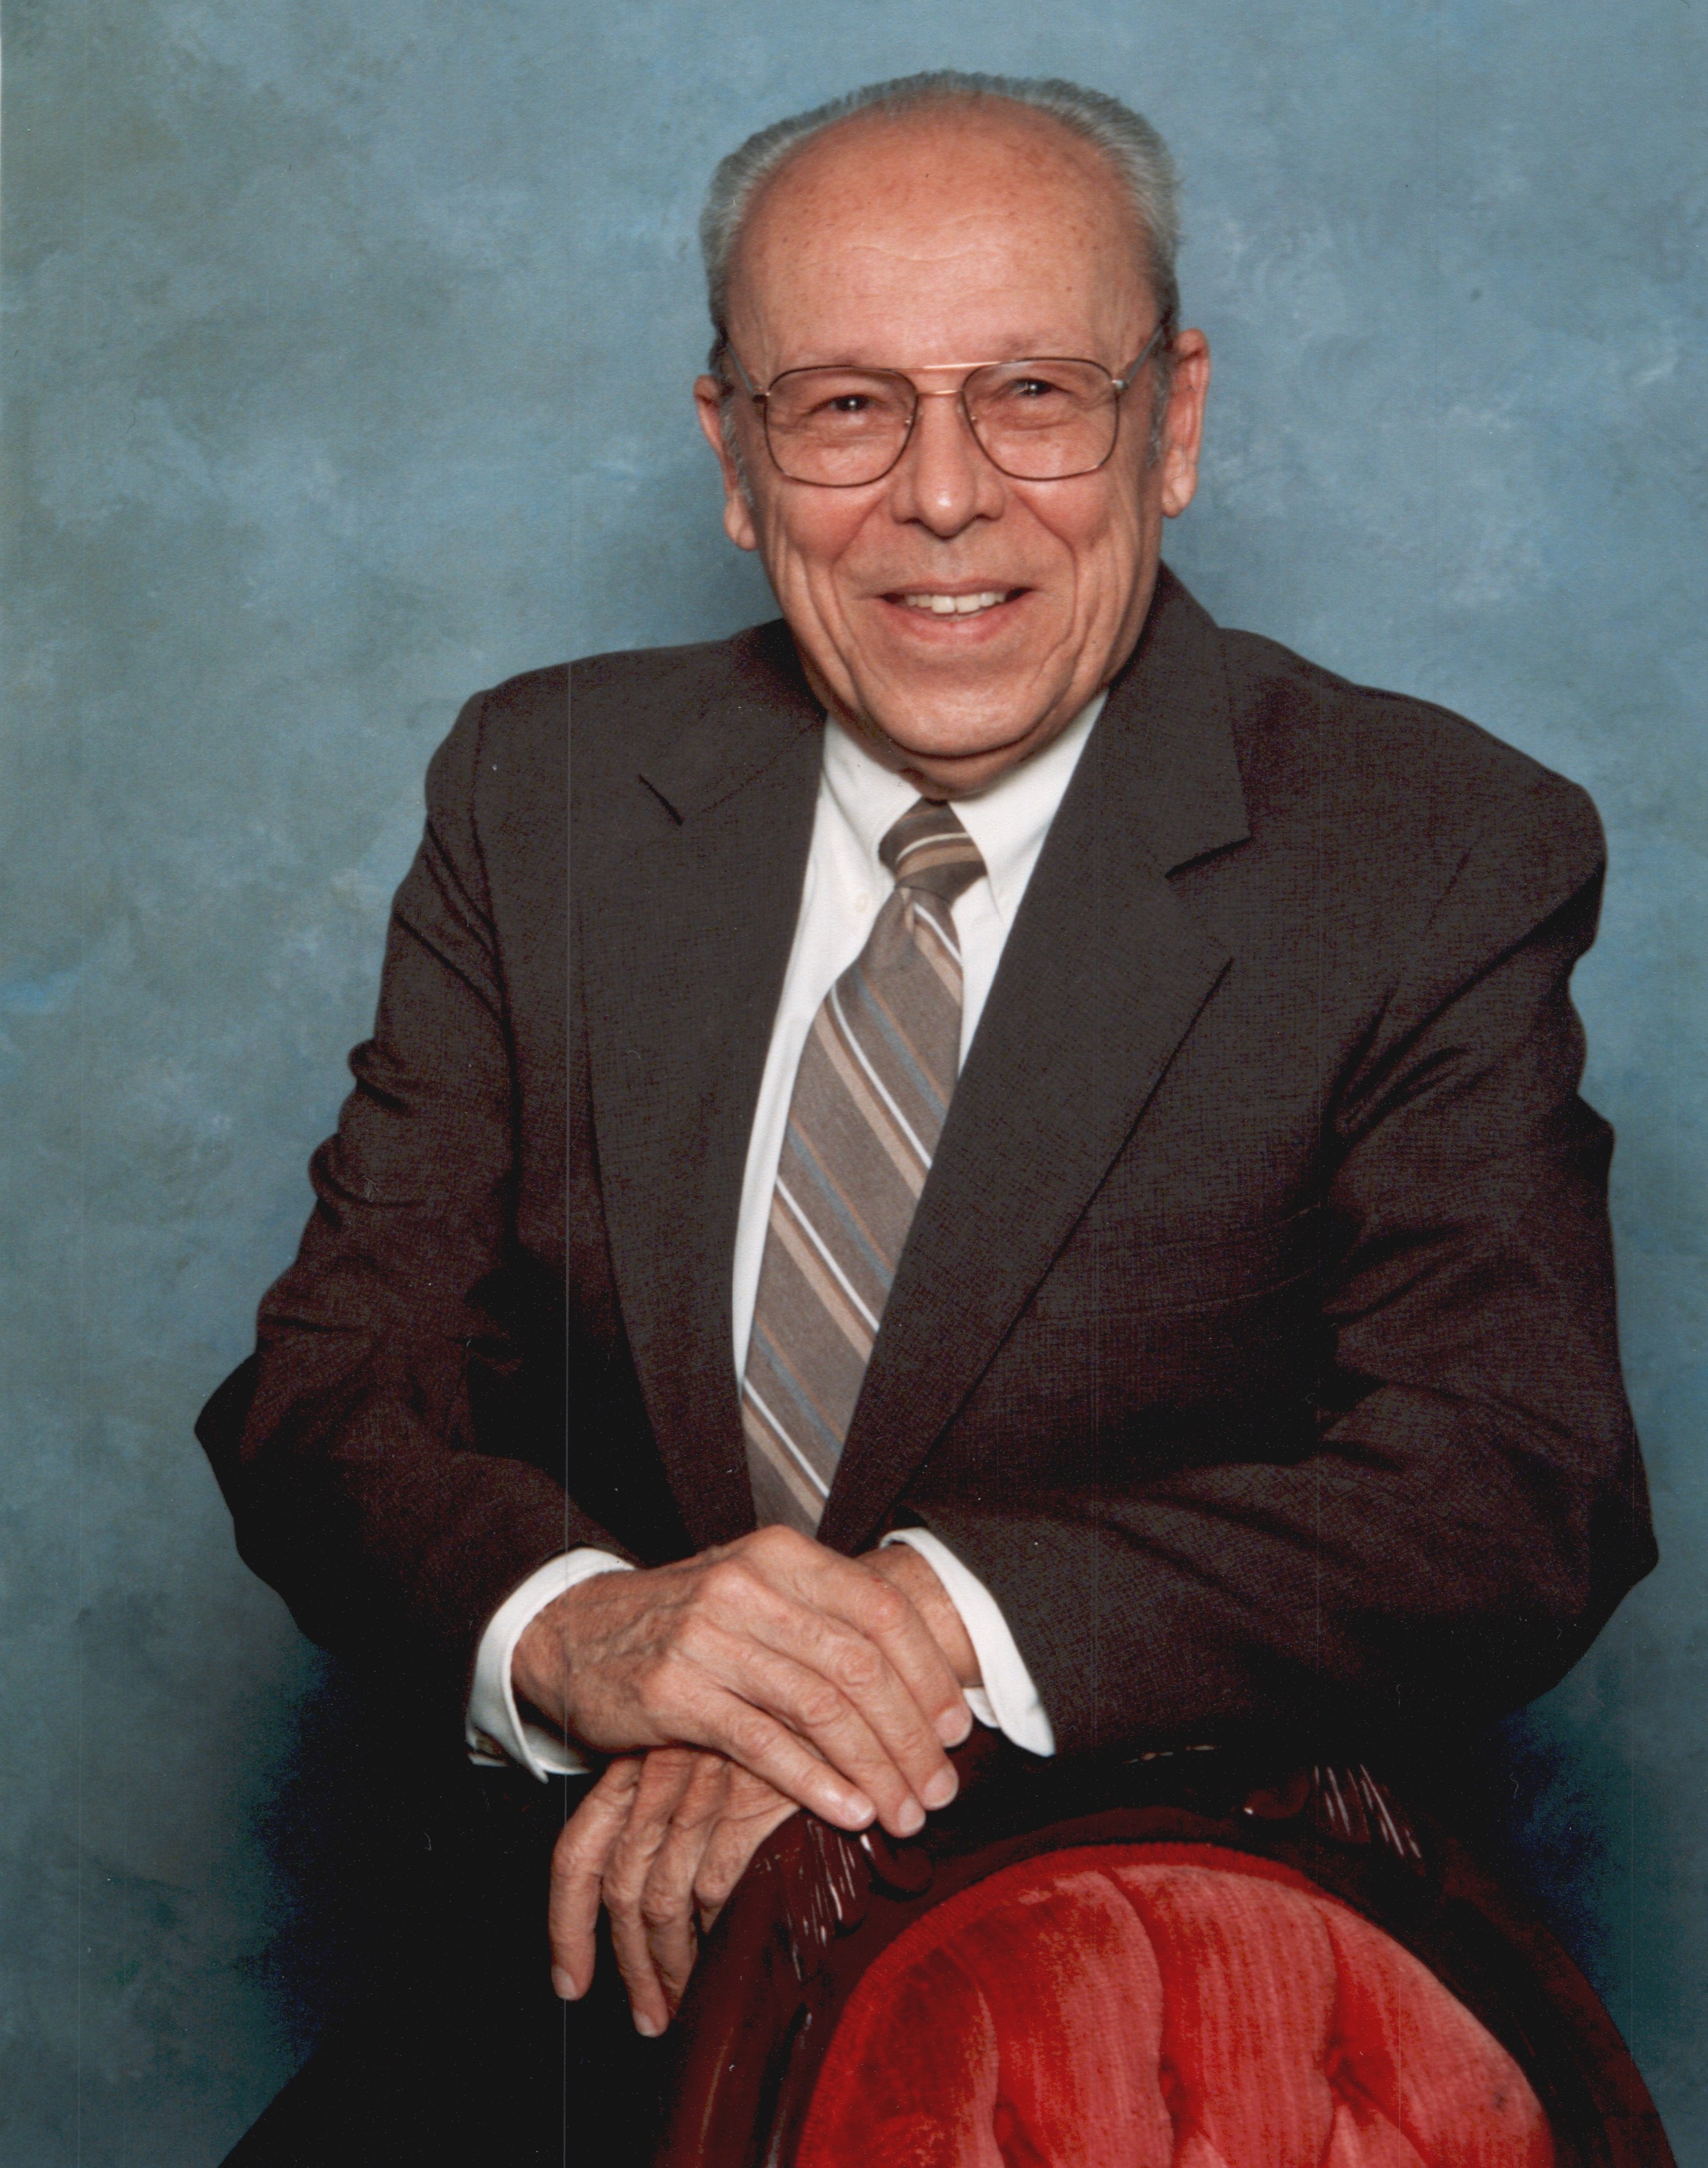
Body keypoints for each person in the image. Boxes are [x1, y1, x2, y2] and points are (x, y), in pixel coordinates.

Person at [202, 69, 1658, 2164]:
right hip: (603, 1956)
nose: (945, 497)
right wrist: (601, 1637)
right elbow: (328, 1400)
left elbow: (1508, 1490)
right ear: (733, 456)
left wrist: (914, 1636)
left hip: (1157, 1985)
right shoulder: (544, 800)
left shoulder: (1426, 848)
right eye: (845, 409)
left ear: (1173, 424)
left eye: (1035, 395)